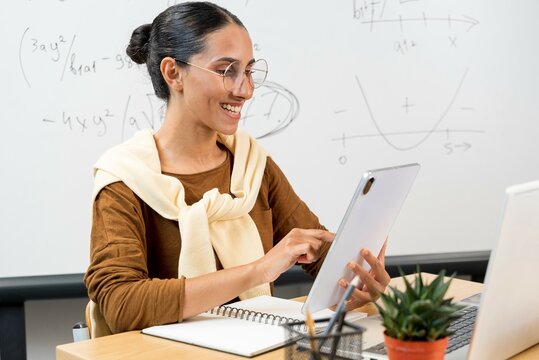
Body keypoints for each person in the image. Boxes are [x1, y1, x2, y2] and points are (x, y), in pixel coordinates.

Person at [84, 1, 390, 336]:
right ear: (173, 73)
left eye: (248, 71)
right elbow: (121, 304)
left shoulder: (251, 165)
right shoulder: (124, 179)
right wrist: (258, 270)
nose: (245, 90)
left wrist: (356, 275)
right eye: (226, 70)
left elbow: (317, 251)